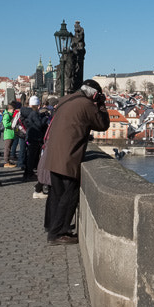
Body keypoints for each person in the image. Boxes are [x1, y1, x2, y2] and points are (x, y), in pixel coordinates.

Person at [41, 79, 110, 245]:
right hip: (68, 156)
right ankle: (58, 233)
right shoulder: (86, 105)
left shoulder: (66, 99)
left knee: (56, 193)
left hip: (54, 154)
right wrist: (101, 105)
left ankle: (51, 225)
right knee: (69, 195)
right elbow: (103, 124)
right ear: (94, 94)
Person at [2, 100, 18, 167]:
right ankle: (6, 162)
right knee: (7, 148)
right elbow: (5, 124)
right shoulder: (7, 115)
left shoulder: (9, 114)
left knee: (8, 148)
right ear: (9, 109)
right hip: (8, 134)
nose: (13, 111)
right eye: (13, 110)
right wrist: (12, 123)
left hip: (10, 134)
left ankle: (8, 160)